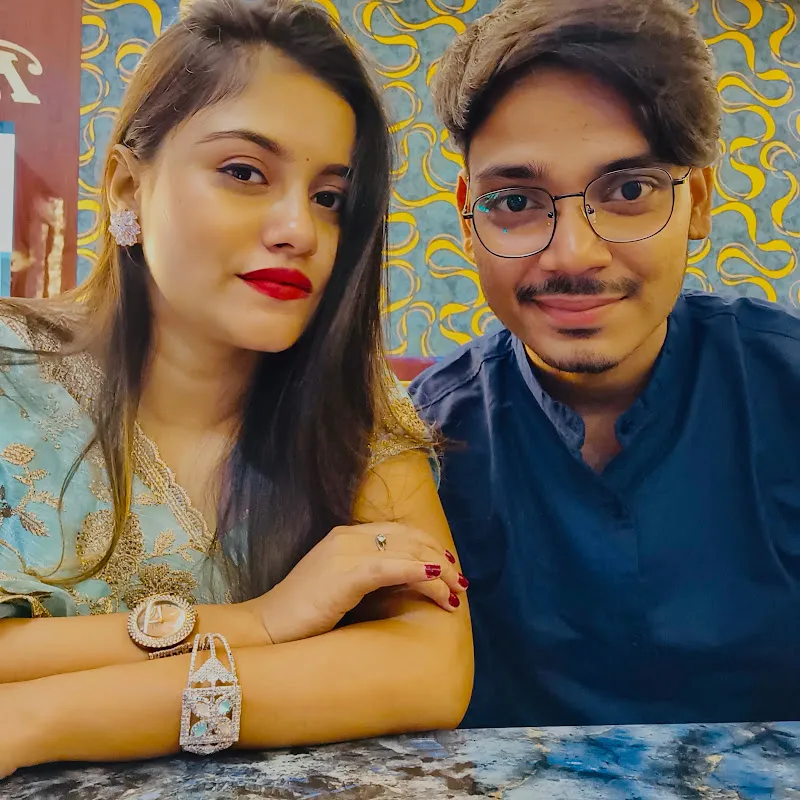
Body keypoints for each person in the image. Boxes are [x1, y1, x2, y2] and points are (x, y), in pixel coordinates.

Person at [0, 0, 472, 778]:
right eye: (245, 173)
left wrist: (37, 717)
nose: (300, 230)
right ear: (125, 188)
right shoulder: (12, 371)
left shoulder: (357, 409)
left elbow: (427, 668)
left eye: (329, 197)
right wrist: (258, 624)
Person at [410, 0, 800, 728]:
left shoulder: (787, 387)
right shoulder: (417, 445)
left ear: (698, 201)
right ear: (468, 217)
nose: (573, 254)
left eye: (628, 192)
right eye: (515, 200)